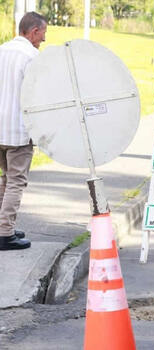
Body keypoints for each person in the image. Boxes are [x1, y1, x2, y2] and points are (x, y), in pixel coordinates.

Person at [0, 12, 47, 251]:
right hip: (18, 129)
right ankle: (5, 233)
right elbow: (37, 96)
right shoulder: (32, 56)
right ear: (34, 31)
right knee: (16, 181)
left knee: (5, 179)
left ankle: (2, 226)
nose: (44, 39)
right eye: (43, 34)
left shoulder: (2, 50)